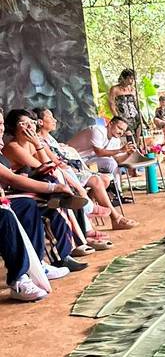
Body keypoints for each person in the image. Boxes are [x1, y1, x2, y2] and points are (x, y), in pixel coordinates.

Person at [0, 110, 84, 280]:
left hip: (22, 189)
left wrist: (38, 144)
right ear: (16, 127)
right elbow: (16, 177)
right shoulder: (13, 146)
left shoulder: (11, 146)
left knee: (51, 200)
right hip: (15, 192)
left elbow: (51, 164)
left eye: (0, 124)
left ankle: (57, 258)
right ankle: (26, 272)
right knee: (39, 202)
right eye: (25, 123)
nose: (31, 125)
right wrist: (53, 188)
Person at [32, 107, 133, 236]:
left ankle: (88, 209)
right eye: (50, 118)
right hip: (68, 169)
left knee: (105, 179)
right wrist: (121, 150)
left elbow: (116, 159)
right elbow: (56, 162)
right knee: (98, 180)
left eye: (123, 131)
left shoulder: (50, 138)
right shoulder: (97, 130)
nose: (55, 120)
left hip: (75, 166)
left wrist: (127, 153)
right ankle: (113, 217)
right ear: (40, 122)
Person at [108, 69, 142, 138]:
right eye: (131, 78)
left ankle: (137, 147)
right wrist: (117, 118)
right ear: (124, 78)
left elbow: (136, 104)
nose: (133, 81)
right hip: (123, 117)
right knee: (127, 136)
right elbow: (112, 105)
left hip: (134, 116)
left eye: (134, 78)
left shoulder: (133, 89)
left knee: (138, 133)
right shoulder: (115, 89)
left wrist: (140, 115)